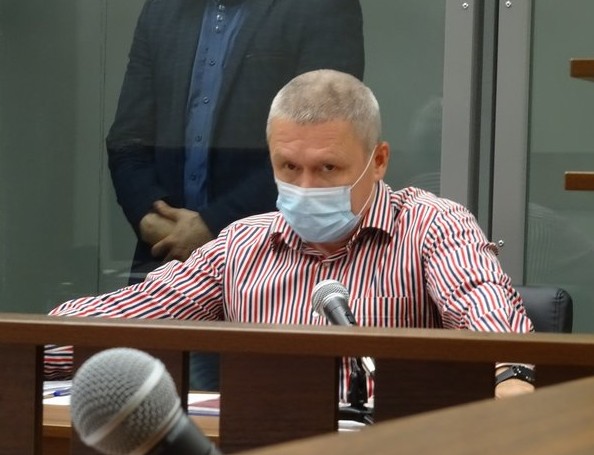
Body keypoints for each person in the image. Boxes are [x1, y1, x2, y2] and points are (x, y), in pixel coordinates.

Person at [46, 69, 534, 400]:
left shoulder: (431, 225)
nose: (306, 186)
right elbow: (129, 315)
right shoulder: (242, 245)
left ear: (379, 160)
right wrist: (29, 348)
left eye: (328, 168)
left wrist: (511, 376)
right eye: (289, 167)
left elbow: (486, 312)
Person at [107, 0, 364, 388]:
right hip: (164, 266)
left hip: (271, 273)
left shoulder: (321, 7)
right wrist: (150, 218)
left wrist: (212, 227)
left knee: (259, 416)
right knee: (143, 418)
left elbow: (319, 146)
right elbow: (128, 140)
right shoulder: (162, 10)